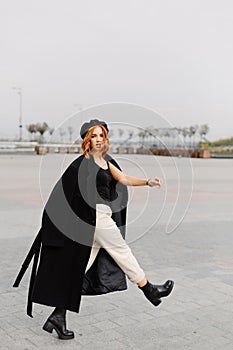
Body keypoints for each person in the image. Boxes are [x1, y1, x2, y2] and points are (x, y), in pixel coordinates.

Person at [13, 119, 174, 340]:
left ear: (105, 138)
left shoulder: (106, 162)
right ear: (87, 140)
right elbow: (62, 196)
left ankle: (58, 316)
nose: (98, 139)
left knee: (80, 269)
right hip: (96, 220)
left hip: (101, 218)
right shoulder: (82, 164)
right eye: (94, 136)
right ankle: (149, 290)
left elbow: (124, 178)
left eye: (101, 135)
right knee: (122, 252)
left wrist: (147, 182)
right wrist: (52, 225)